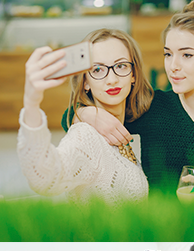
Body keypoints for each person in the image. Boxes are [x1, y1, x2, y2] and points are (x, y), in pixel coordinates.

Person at [68, 0, 194, 200]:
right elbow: (69, 119)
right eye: (168, 54)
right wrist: (89, 113)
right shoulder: (154, 107)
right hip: (157, 230)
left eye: (187, 55)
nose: (173, 66)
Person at [17, 29, 151, 202]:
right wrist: (31, 102)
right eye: (97, 69)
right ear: (85, 81)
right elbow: (45, 179)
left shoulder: (119, 128)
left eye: (121, 66)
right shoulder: (86, 136)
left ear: (134, 74)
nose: (111, 79)